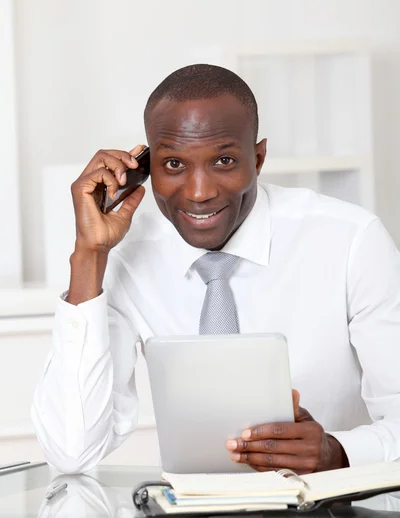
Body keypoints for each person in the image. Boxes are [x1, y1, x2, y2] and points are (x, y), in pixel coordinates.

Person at [32, 64, 400, 475]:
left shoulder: (351, 241)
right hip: (188, 514)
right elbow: (71, 451)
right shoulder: (125, 255)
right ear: (145, 167)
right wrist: (89, 255)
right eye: (173, 165)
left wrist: (339, 452)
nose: (199, 193)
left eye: (224, 160)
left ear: (258, 158)